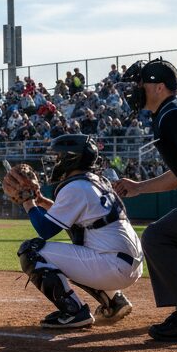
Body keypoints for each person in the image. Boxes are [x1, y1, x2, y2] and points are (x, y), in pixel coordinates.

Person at [14, 135, 142, 328]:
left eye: (59, 156)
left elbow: (45, 229)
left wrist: (27, 201)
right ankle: (115, 301)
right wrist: (40, 201)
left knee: (31, 251)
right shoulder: (96, 181)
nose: (55, 160)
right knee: (76, 249)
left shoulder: (75, 186)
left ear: (71, 158)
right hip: (126, 263)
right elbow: (72, 220)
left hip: (112, 265)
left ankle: (74, 311)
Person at [114, 59, 177, 342]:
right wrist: (140, 188)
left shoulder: (174, 115)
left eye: (142, 84)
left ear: (159, 87)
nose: (136, 90)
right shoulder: (172, 112)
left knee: (158, 237)